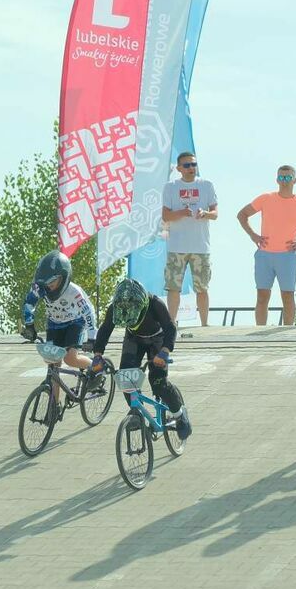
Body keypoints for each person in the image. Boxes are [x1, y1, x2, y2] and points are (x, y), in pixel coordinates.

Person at [91, 278, 190, 440]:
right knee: (125, 377)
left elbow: (171, 328)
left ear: (143, 305)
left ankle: (179, 415)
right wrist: (97, 355)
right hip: (134, 338)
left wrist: (164, 352)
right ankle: (137, 412)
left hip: (157, 339)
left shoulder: (155, 304)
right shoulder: (116, 306)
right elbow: (105, 330)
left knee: (158, 383)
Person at [237, 165, 296, 325]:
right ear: (276, 179)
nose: (284, 181)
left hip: (287, 256)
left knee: (287, 295)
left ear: (295, 180)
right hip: (264, 254)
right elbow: (242, 214)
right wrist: (253, 235)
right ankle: (260, 332)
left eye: (287, 177)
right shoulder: (266, 198)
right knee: (262, 295)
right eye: (281, 177)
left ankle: (287, 332)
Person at [21, 251, 98, 399]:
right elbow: (29, 303)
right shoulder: (40, 286)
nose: (48, 287)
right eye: (45, 284)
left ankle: (95, 368)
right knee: (53, 363)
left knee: (70, 359)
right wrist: (29, 325)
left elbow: (88, 314)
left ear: (63, 278)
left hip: (75, 322)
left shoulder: (74, 292)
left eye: (52, 283)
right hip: (54, 323)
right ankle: (54, 405)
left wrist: (92, 338)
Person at [161, 151, 218, 326]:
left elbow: (215, 214)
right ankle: (171, 324)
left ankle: (205, 324)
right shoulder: (171, 187)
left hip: (200, 246)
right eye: (187, 165)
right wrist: (182, 213)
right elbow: (166, 216)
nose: (191, 168)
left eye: (193, 164)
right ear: (179, 168)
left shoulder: (206, 185)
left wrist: (205, 213)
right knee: (173, 287)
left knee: (202, 288)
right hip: (177, 246)